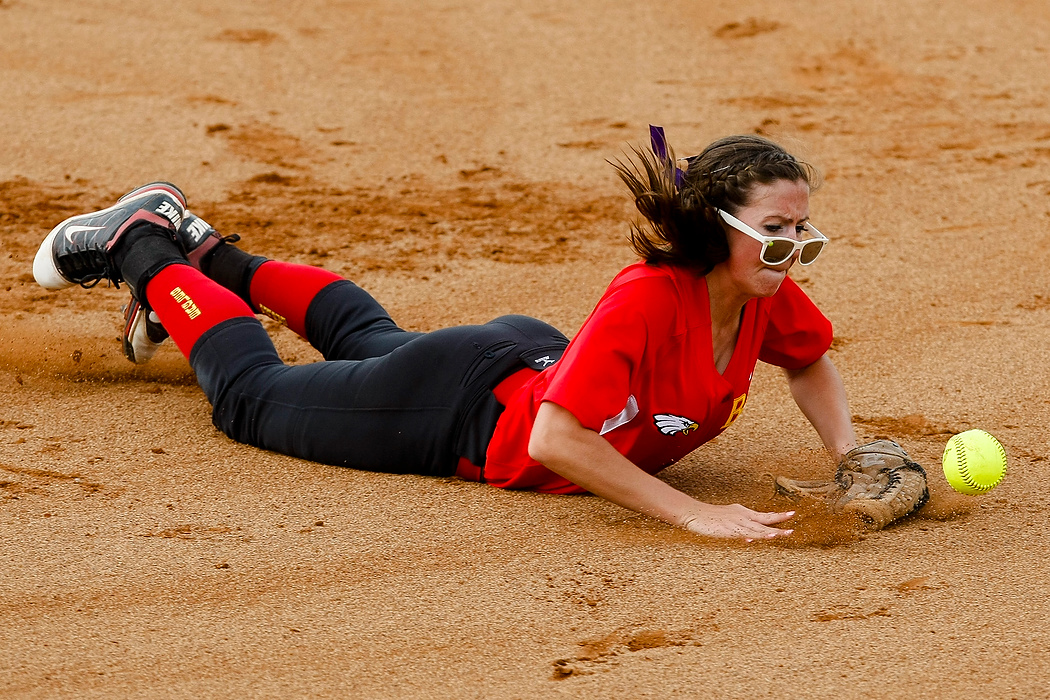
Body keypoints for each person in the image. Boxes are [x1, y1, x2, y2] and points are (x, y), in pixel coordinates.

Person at [32, 126, 859, 541]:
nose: (794, 253)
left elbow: (811, 360)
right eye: (776, 232)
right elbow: (558, 439)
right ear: (715, 230)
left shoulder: (760, 290)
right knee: (247, 397)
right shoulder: (648, 296)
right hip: (453, 410)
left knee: (365, 334)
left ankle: (204, 250)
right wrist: (690, 515)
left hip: (508, 360)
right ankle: (139, 241)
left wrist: (850, 455)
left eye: (805, 236)